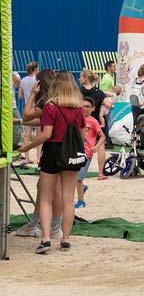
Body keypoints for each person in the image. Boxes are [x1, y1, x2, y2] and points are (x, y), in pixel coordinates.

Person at [17, 70, 87, 253]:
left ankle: (46, 238)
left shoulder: (50, 107)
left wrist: (27, 147)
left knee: (46, 198)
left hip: (53, 152)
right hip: (72, 153)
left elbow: (46, 134)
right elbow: (83, 135)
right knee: (68, 200)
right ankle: (65, 239)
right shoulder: (79, 109)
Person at [15, 68, 62, 239]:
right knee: (55, 190)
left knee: (45, 190)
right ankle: (53, 225)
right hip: (66, 149)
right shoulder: (62, 99)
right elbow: (45, 121)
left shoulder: (46, 102)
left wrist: (33, 95)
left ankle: (43, 227)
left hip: (52, 149)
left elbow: (27, 116)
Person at [75, 98, 106, 209]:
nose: (84, 108)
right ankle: (82, 187)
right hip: (74, 151)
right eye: (82, 106)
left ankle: (81, 201)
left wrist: (96, 147)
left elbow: (102, 136)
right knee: (74, 177)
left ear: (93, 108)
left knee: (78, 178)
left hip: (87, 153)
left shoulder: (93, 121)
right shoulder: (76, 119)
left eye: (87, 106)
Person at [17, 61, 39, 166]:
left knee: (26, 134)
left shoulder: (23, 80)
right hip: (37, 108)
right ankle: (38, 158)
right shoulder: (38, 80)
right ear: (36, 69)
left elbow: (20, 96)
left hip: (27, 108)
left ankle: (27, 158)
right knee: (40, 134)